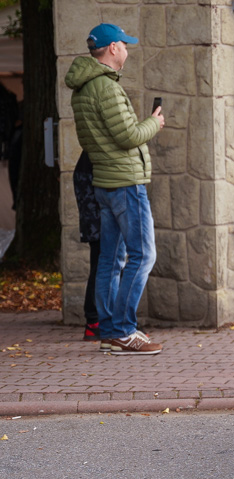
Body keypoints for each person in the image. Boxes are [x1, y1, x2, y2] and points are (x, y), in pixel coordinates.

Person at [65, 23, 164, 355]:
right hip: (125, 183)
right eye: (124, 44)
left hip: (105, 182)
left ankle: (108, 330)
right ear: (112, 49)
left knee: (111, 257)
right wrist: (155, 123)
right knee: (142, 255)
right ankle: (123, 330)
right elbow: (128, 137)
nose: (127, 49)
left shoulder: (83, 87)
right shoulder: (105, 88)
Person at [72, 151, 101, 341]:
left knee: (103, 262)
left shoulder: (90, 155)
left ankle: (96, 320)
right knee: (103, 263)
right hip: (97, 211)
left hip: (96, 209)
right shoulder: (93, 154)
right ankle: (94, 320)